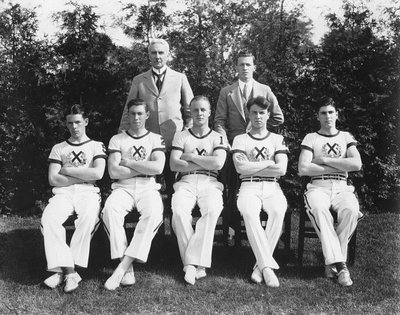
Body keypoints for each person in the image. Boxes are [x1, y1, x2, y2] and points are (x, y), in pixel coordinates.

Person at [214, 51, 284, 238]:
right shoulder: (226, 91)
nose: (244, 68)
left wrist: (257, 128)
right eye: (241, 65)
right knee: (231, 187)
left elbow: (278, 117)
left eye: (248, 64)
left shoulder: (265, 90)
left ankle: (259, 224)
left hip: (258, 148)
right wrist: (226, 143)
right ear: (236, 67)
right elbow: (219, 121)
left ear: (254, 67)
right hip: (234, 148)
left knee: (256, 184)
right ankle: (230, 227)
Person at [119, 38, 194, 203]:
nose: (157, 56)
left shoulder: (180, 78)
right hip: (148, 143)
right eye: (153, 53)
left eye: (161, 53)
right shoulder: (139, 80)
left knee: (176, 190)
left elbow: (190, 110)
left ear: (168, 55)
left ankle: (176, 226)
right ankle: (155, 226)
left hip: (174, 142)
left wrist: (187, 134)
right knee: (151, 190)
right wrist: (122, 135)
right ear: (149, 55)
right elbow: (128, 109)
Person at [298, 96, 363, 287]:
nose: (328, 116)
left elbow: (356, 164)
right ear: (317, 116)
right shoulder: (311, 138)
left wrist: (324, 160)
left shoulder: (346, 137)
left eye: (331, 112)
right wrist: (340, 165)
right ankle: (341, 266)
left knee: (351, 210)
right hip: (318, 186)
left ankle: (331, 263)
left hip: (342, 186)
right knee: (319, 209)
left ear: (337, 114)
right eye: (323, 113)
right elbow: (303, 168)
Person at [41, 104, 106, 293]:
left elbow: (98, 174)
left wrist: (68, 170)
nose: (74, 127)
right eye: (70, 123)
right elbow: (53, 179)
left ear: (85, 122)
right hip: (63, 192)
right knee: (49, 219)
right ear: (66, 124)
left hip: (88, 192)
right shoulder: (58, 148)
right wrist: (84, 174)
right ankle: (70, 271)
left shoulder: (96, 145)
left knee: (87, 218)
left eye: (78, 122)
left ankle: (61, 270)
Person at [102, 98, 166, 291]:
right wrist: (145, 167)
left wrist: (128, 163)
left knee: (154, 213)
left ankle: (122, 267)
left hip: (148, 186)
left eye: (140, 113)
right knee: (110, 210)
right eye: (132, 113)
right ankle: (127, 265)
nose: (136, 117)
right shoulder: (117, 139)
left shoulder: (155, 138)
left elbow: (158, 167)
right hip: (123, 187)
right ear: (127, 115)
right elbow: (113, 172)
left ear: (147, 115)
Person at [170, 96, 228, 285]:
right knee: (179, 212)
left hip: (210, 182)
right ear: (190, 112)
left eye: (203, 110)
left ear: (210, 112)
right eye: (195, 110)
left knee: (211, 210)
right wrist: (204, 162)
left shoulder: (217, 137)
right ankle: (194, 265)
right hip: (185, 182)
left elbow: (218, 163)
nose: (199, 113)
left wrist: (190, 157)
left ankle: (190, 263)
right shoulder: (181, 135)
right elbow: (173, 164)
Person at [231, 96, 289, 287]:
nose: (258, 116)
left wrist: (253, 165)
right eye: (254, 112)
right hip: (248, 186)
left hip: (273, 186)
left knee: (278, 211)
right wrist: (268, 162)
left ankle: (260, 267)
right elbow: (241, 168)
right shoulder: (240, 139)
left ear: (268, 115)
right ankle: (267, 268)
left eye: (262, 113)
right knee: (249, 213)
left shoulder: (277, 139)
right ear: (248, 114)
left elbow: (281, 170)